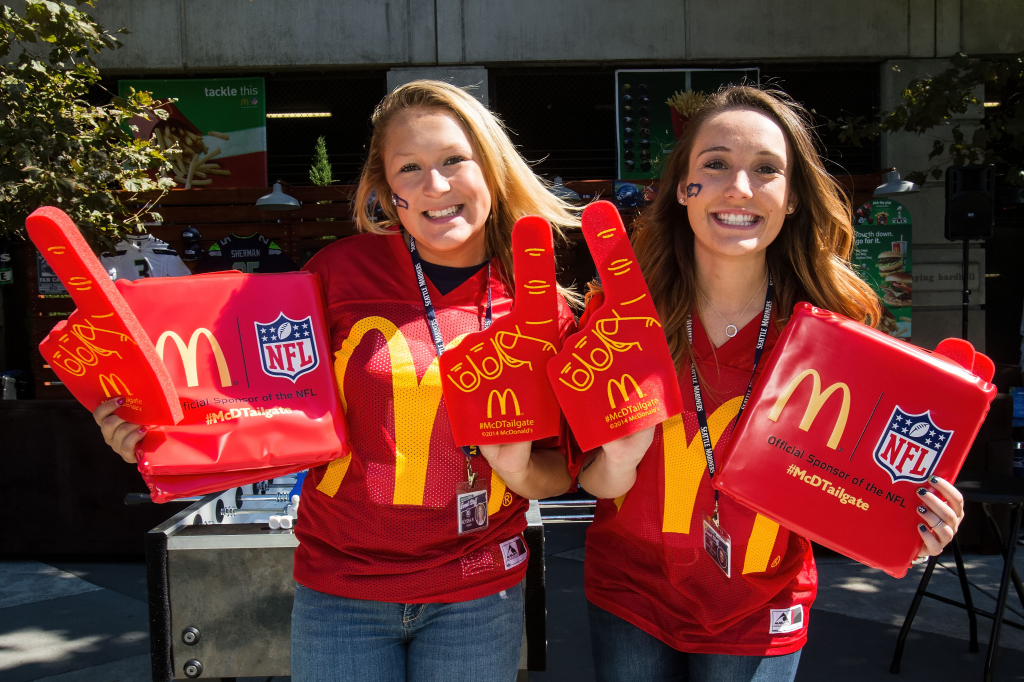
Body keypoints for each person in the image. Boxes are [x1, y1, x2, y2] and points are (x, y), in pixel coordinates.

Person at [93, 80, 580, 682]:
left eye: (455, 159)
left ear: (492, 169)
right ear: (386, 191)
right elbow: (250, 399)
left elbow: (564, 466)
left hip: (477, 593)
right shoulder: (334, 274)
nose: (436, 184)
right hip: (343, 592)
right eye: (411, 168)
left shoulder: (543, 304)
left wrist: (520, 473)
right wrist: (155, 433)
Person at [576, 85, 965, 682]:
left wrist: (911, 526)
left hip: (759, 611)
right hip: (631, 599)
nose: (739, 187)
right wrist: (620, 462)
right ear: (684, 189)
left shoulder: (839, 333)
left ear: (791, 200)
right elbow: (590, 482)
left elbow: (859, 490)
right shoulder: (620, 315)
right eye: (715, 164)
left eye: (766, 169)